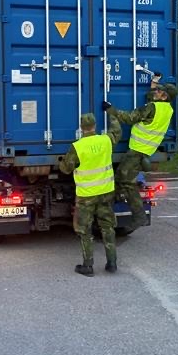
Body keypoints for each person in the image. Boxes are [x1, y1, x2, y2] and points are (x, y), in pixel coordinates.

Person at [102, 77, 177, 230]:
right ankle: (121, 202)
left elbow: (129, 118)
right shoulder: (168, 109)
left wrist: (110, 109)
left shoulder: (152, 107)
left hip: (136, 151)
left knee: (124, 181)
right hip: (145, 151)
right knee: (124, 179)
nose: (156, 92)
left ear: (164, 96)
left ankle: (138, 215)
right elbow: (153, 100)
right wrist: (153, 84)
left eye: (159, 91)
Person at [59, 112, 122, 277]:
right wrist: (112, 114)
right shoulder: (106, 140)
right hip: (106, 193)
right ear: (95, 125)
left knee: (85, 230)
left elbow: (66, 168)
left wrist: (61, 162)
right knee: (107, 227)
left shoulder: (77, 146)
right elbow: (117, 132)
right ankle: (112, 263)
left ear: (81, 127)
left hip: (86, 196)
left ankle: (88, 266)